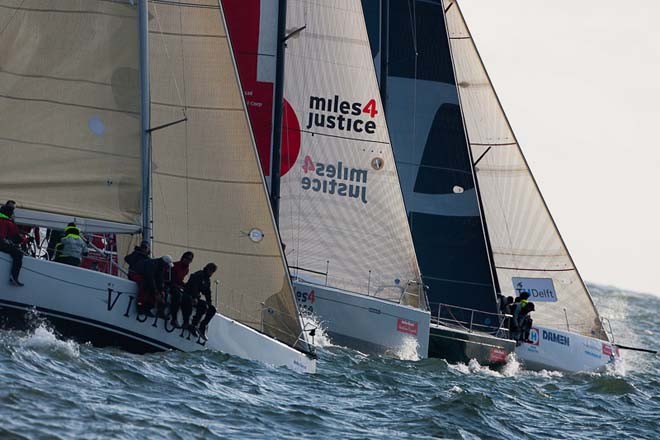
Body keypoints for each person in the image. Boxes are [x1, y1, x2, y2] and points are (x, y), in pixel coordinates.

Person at [181, 263, 217, 339]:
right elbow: (194, 286)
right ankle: (192, 324)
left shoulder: (207, 280)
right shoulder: (198, 275)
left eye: (212, 271)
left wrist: (209, 302)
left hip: (196, 298)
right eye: (210, 270)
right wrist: (195, 297)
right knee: (203, 306)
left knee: (212, 309)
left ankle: (202, 326)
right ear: (207, 269)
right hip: (188, 295)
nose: (211, 272)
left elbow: (207, 292)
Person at [167, 251, 194, 328]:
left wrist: (186, 286)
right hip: (170, 285)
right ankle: (174, 319)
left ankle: (186, 321)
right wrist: (179, 286)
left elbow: (180, 280)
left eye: (190, 260)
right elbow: (171, 279)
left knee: (188, 298)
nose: (188, 260)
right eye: (187, 258)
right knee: (177, 295)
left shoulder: (186, 269)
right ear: (183, 258)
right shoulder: (174, 265)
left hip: (177, 286)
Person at [0, 201, 23, 286]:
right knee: (18, 254)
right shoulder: (7, 221)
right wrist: (25, 240)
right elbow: (16, 237)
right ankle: (14, 277)